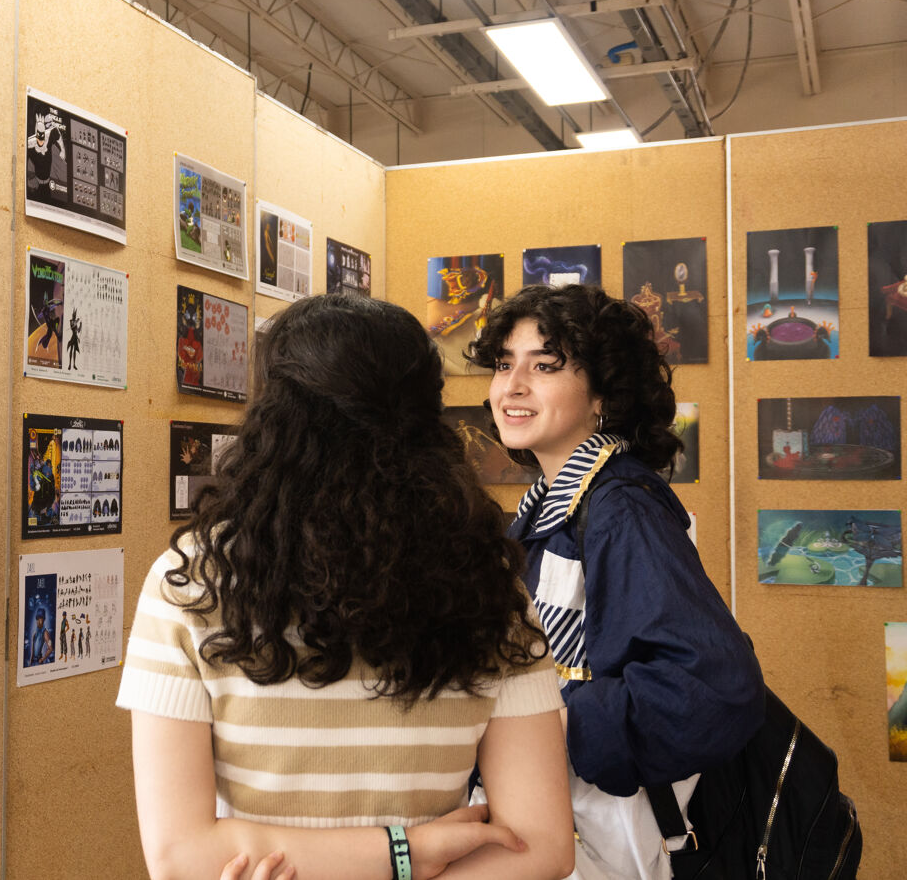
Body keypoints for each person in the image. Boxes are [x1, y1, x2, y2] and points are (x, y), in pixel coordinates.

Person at [118, 293, 574, 880]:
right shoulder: (489, 581)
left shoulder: (194, 581)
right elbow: (538, 847)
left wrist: (374, 855)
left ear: (273, 418)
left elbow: (181, 857)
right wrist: (406, 853)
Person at [466, 284, 764, 880]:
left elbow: (712, 684)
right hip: (563, 824)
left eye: (544, 366)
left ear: (602, 393)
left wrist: (549, 726)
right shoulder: (552, 505)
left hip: (612, 842)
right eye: (504, 365)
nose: (512, 386)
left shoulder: (618, 507)